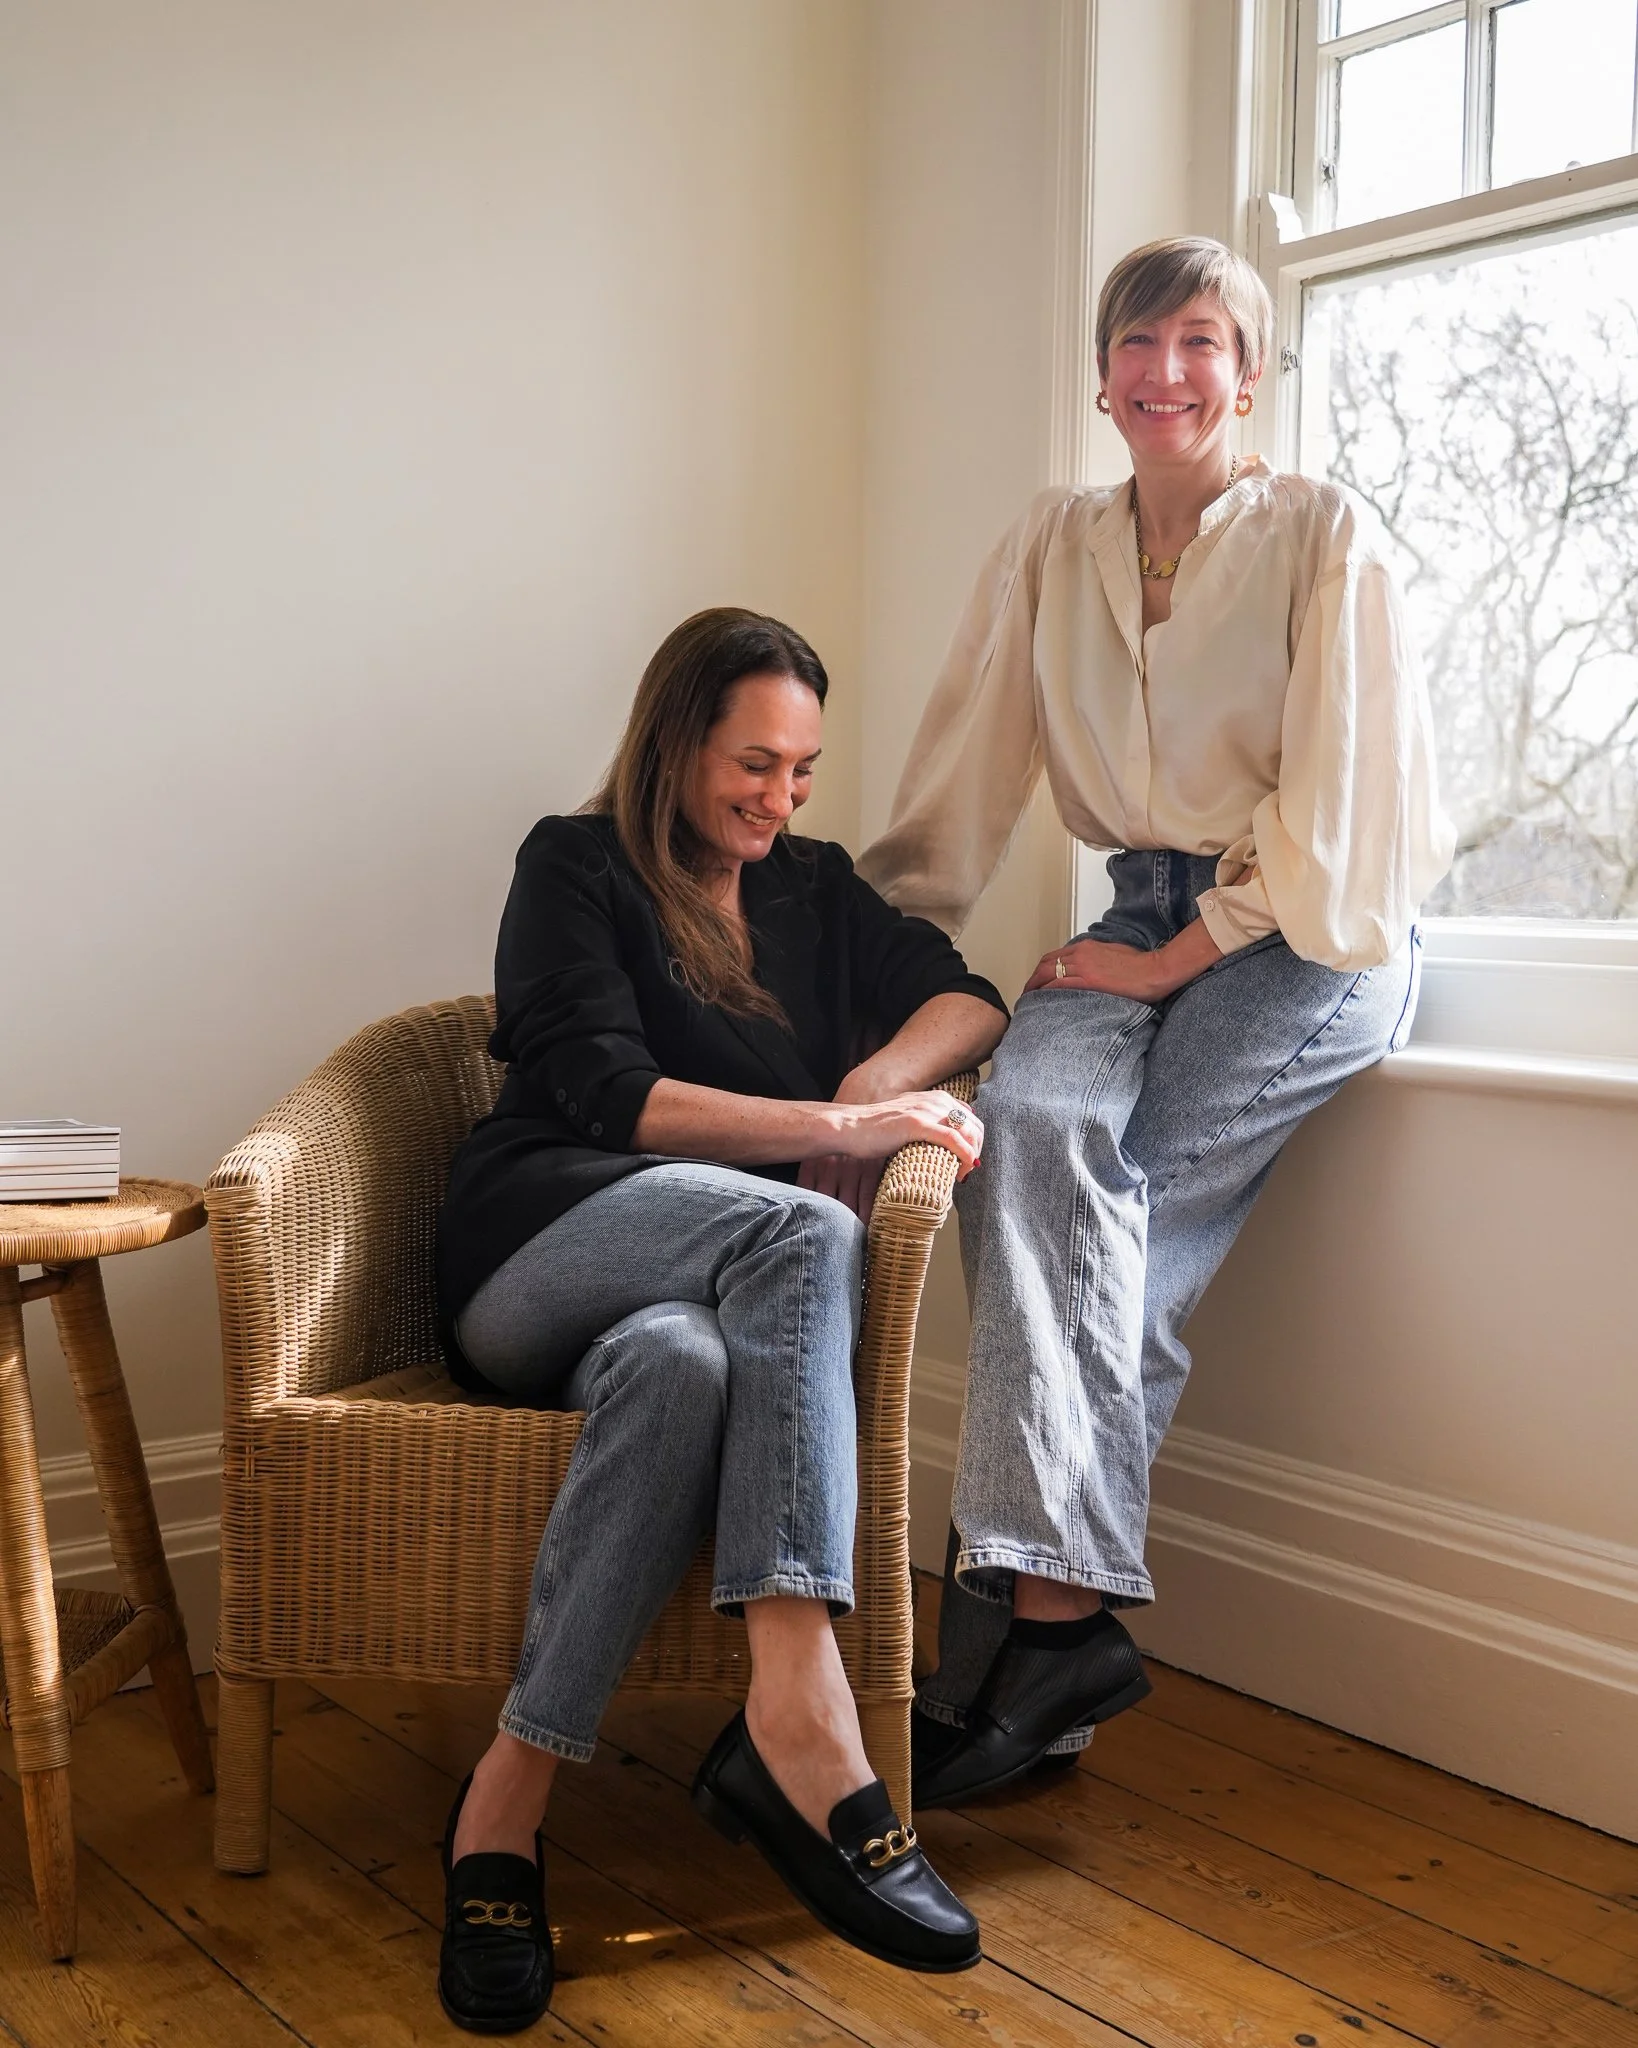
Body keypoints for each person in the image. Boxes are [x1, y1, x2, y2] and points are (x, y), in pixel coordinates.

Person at [858, 235, 1455, 1807]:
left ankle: (1018, 1645)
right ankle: (1052, 1654)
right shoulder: (1051, 543)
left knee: (1102, 1242)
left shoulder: (1323, 533)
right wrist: (849, 946)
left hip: (1305, 929)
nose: (1165, 370)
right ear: (1100, 374)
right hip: (1131, 910)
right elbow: (961, 772)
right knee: (1020, 1145)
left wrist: (1170, 958)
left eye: (1201, 341)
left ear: (1247, 377)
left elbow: (1341, 820)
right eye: (1137, 341)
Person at [432, 606, 1008, 2031]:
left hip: (691, 1307)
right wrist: (833, 1130)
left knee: (686, 1369)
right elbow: (611, 1096)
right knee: (803, 1222)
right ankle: (798, 1709)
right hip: (538, 1251)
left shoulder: (811, 887)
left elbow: (969, 1000)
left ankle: (504, 1804)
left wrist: (874, 1079)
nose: (781, 798)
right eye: (755, 764)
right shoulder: (574, 865)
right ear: (676, 741)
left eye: (802, 770)